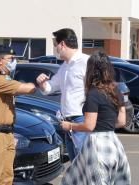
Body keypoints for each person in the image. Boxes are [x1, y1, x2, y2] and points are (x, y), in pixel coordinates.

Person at [60, 52, 131, 185]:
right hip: (114, 143)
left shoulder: (93, 93)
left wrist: (69, 125)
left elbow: (89, 126)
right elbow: (121, 121)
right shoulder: (116, 91)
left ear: (91, 70)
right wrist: (105, 124)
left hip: (97, 146)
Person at [0, 45, 36, 185]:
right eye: (11, 58)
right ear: (0, 60)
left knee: (6, 178)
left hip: (6, 134)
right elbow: (28, 89)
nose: (14, 62)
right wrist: (42, 84)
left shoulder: (6, 79)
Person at [36, 28, 89, 161]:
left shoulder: (86, 62)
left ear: (63, 44)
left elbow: (97, 89)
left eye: (55, 45)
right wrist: (42, 84)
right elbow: (50, 87)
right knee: (74, 164)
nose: (55, 49)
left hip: (80, 121)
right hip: (66, 122)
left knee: (84, 164)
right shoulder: (64, 67)